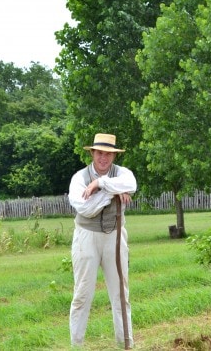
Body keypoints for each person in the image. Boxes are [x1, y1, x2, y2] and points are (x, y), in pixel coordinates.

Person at [68, 133, 137, 348]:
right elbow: (85, 208)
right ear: (92, 153)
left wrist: (100, 183)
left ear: (114, 156)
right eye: (99, 153)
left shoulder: (123, 174)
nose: (103, 158)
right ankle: (76, 345)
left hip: (115, 237)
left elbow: (131, 184)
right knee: (82, 294)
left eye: (108, 154)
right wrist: (112, 192)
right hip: (86, 238)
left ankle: (125, 343)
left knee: (120, 293)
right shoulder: (79, 177)